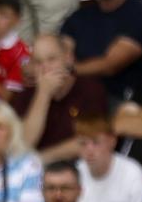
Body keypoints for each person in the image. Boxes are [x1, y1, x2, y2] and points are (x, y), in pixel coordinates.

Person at [13, 35, 109, 163]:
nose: (45, 68)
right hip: (36, 173)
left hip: (79, 165)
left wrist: (41, 158)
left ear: (68, 58)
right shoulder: (25, 95)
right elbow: (24, 143)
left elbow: (91, 140)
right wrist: (43, 94)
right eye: (38, 62)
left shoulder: (90, 89)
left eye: (51, 59)